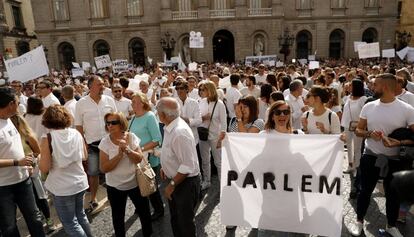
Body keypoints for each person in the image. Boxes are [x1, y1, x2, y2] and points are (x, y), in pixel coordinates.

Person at [348, 73, 414, 237]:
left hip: (396, 160)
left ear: (384, 87)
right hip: (371, 156)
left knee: (393, 195)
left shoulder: (407, 110)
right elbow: (358, 129)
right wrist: (370, 134)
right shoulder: (368, 106)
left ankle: (391, 225)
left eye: (375, 85)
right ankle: (359, 221)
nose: (372, 87)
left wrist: (397, 143)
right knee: (365, 191)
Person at [39, 105, 92, 237]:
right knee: (81, 216)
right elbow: (85, 156)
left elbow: (44, 168)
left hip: (62, 187)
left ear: (47, 120)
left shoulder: (48, 138)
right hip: (80, 181)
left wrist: (39, 159)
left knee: (70, 223)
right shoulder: (76, 133)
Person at [0, 87, 46, 237]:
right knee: (9, 226)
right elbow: (16, 158)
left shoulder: (11, 119)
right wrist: (16, 162)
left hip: (23, 180)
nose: (20, 105)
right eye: (18, 102)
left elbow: (23, 146)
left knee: (35, 219)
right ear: (11, 103)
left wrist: (31, 161)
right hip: (3, 187)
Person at [99, 112, 152, 237]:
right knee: (118, 218)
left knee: (144, 213)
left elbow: (139, 159)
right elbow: (104, 168)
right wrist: (119, 155)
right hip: (115, 187)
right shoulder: (104, 142)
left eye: (113, 122)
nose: (110, 125)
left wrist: (127, 150)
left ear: (121, 123)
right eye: (107, 123)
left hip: (135, 183)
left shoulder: (131, 137)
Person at [156, 97, 201, 237]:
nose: (157, 114)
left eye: (158, 112)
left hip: (184, 184)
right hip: (178, 181)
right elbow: (174, 153)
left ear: (163, 115)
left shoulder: (179, 132)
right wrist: (166, 167)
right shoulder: (173, 126)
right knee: (176, 220)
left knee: (184, 223)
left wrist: (172, 184)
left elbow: (187, 165)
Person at [75, 76, 117, 212]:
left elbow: (116, 119)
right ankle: (93, 199)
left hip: (110, 142)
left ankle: (113, 196)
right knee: (93, 173)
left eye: (103, 84)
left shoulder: (109, 100)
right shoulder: (81, 103)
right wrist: (83, 143)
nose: (103, 86)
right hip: (92, 145)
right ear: (90, 86)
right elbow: (79, 126)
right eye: (99, 84)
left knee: (112, 170)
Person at [10, 114, 55, 233]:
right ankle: (39, 219)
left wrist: (32, 164)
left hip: (33, 173)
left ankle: (49, 221)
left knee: (41, 197)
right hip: (19, 174)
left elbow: (38, 153)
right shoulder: (10, 139)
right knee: (32, 200)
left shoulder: (28, 137)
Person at [129, 92, 164, 221]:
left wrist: (140, 149)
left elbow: (157, 139)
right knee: (139, 184)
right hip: (137, 158)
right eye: (132, 102)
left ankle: (159, 209)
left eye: (135, 102)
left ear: (143, 103)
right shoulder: (133, 118)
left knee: (151, 186)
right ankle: (141, 207)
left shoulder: (149, 116)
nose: (132, 104)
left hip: (149, 158)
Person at [198, 81, 227, 190]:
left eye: (203, 89)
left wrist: (221, 139)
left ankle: (222, 186)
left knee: (218, 162)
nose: (201, 92)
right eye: (200, 90)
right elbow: (197, 118)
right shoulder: (201, 101)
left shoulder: (219, 104)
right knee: (205, 160)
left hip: (216, 137)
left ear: (209, 90)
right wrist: (203, 118)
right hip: (203, 135)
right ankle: (207, 181)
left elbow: (224, 123)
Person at [341, 79, 367, 175]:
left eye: (351, 85)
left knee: (357, 147)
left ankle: (357, 167)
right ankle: (350, 165)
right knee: (349, 146)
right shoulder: (348, 97)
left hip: (358, 126)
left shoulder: (363, 99)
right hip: (347, 126)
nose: (349, 86)